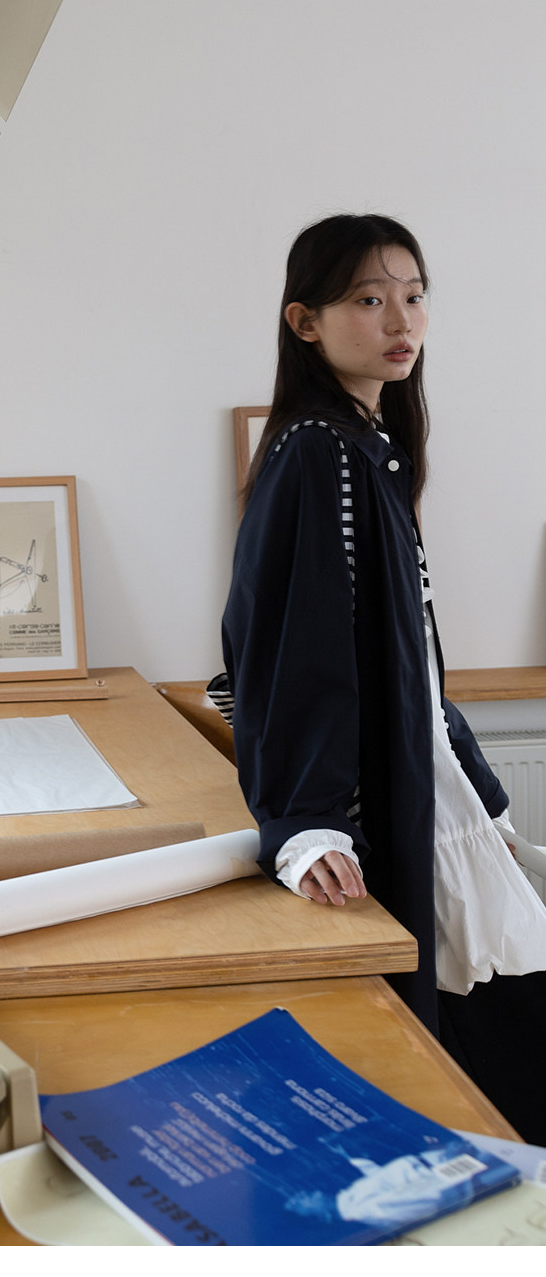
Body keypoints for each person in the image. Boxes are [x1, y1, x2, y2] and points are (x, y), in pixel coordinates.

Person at [221, 213, 546, 1144]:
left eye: (413, 295)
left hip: (427, 784)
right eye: (368, 299)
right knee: (484, 1052)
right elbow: (293, 649)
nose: (401, 320)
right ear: (305, 321)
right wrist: (306, 820)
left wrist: (477, 787)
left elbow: (413, 664)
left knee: (499, 1036)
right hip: (387, 801)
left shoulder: (363, 444)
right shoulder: (321, 450)